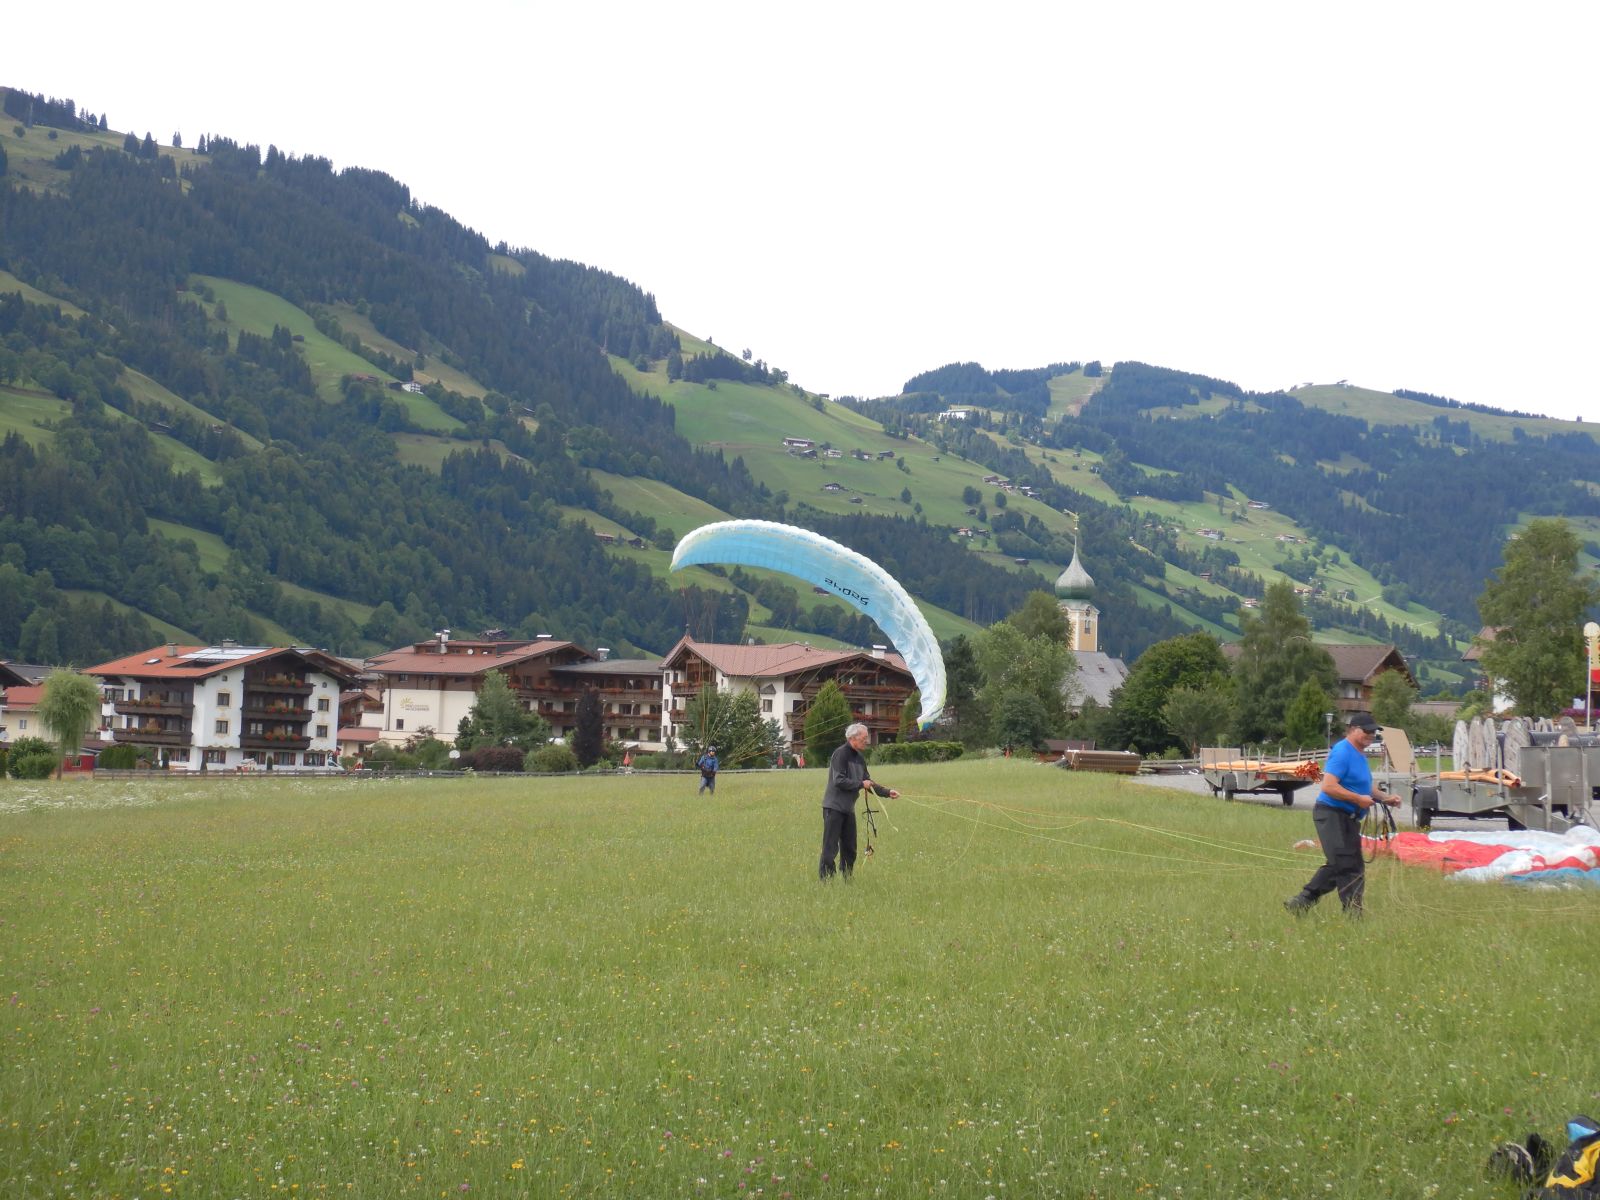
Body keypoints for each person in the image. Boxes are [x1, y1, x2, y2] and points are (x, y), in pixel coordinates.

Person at [1284, 712, 1401, 916]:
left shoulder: (1360, 754)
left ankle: (1302, 902)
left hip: (1349, 818)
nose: (1371, 735)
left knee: (1349, 864)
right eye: (1367, 731)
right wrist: (1358, 799)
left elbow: (1365, 786)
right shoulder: (1342, 752)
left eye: (1374, 732)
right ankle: (1352, 913)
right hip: (1331, 814)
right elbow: (1328, 786)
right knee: (1345, 863)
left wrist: (1385, 797)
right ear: (1353, 730)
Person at [819, 723, 898, 880]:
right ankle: (827, 881)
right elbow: (839, 780)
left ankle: (847, 878)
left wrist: (887, 792)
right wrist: (861, 784)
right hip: (834, 808)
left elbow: (867, 781)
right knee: (830, 848)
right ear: (853, 738)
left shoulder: (859, 758)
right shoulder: (840, 754)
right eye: (864, 738)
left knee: (850, 848)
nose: (866, 741)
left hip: (848, 809)